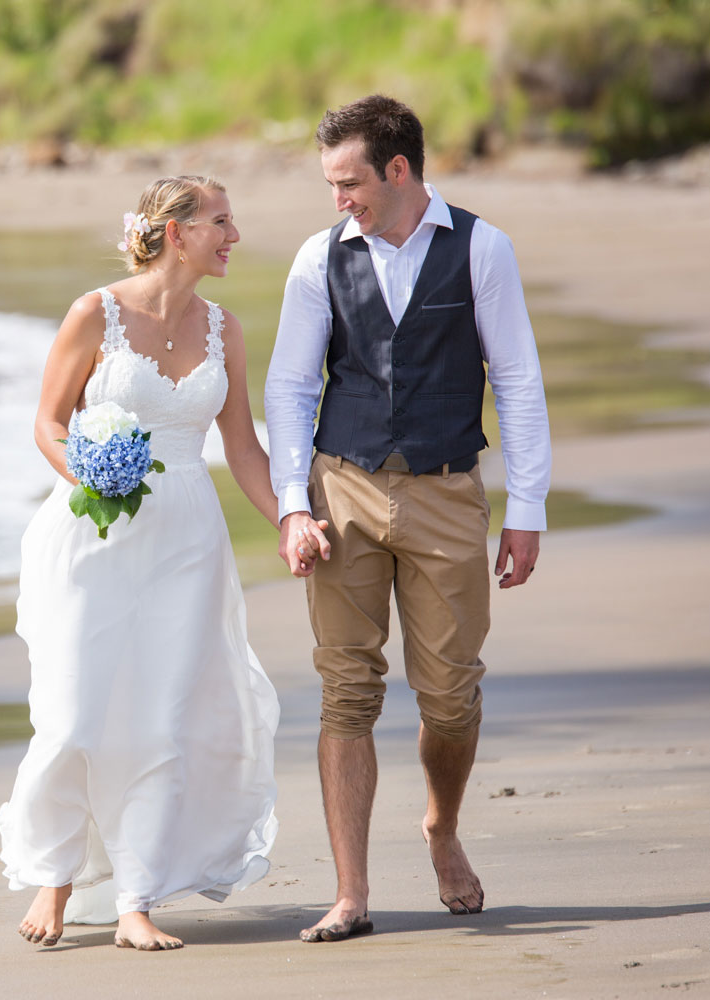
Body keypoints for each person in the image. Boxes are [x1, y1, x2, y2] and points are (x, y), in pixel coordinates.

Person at [0, 175, 321, 951]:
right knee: (75, 713)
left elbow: (241, 448)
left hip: (186, 541)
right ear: (176, 232)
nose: (234, 236)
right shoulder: (94, 314)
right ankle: (57, 877)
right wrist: (89, 474)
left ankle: (136, 899)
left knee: (160, 718)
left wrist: (292, 520)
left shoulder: (225, 330)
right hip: (92, 536)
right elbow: (48, 421)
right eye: (221, 222)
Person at [264, 95, 551, 943]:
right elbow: (287, 388)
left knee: (451, 696)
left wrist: (525, 508)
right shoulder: (317, 260)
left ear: (398, 170)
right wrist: (290, 505)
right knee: (346, 689)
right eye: (329, 183)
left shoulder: (481, 248)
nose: (337, 198)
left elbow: (519, 381)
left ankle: (442, 825)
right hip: (341, 488)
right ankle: (351, 893)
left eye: (349, 181)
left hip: (446, 493)